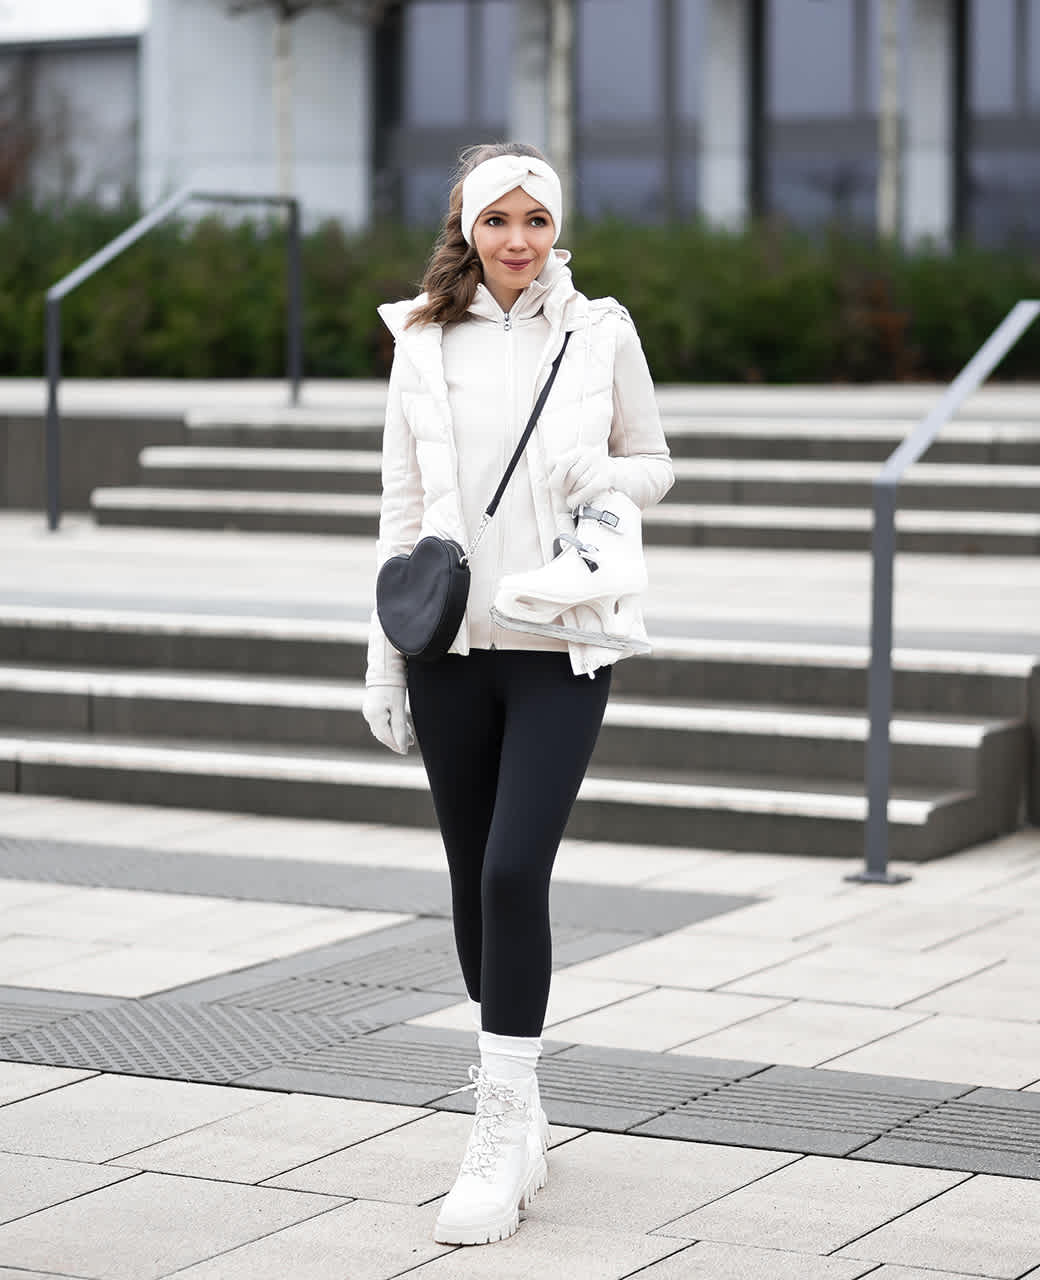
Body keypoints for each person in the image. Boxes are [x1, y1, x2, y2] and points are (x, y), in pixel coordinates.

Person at [362, 141, 673, 1245]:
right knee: (465, 881)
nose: (516, 240)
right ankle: (522, 1105)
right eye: (495, 221)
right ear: (464, 227)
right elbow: (403, 506)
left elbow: (653, 459)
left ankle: (494, 1132)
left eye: (533, 221)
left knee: (509, 869)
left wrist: (605, 476)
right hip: (448, 642)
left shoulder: (599, 329)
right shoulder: (421, 336)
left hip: (558, 641)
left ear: (553, 229)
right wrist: (383, 649)